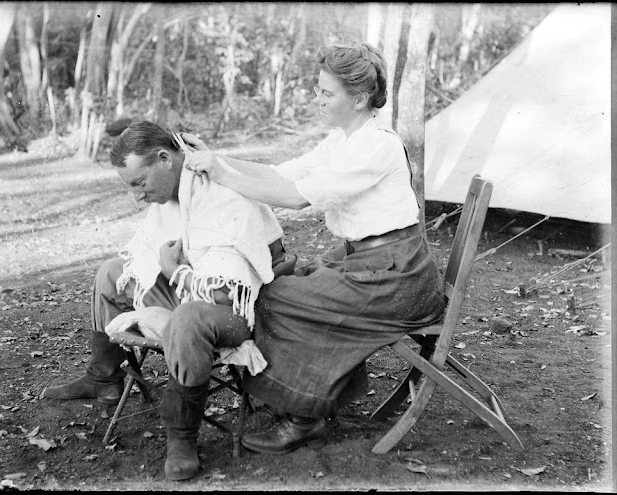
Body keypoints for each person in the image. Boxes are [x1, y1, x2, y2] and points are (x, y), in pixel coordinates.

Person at [179, 40, 447, 455]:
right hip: (377, 264)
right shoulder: (344, 140)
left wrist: (221, 172)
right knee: (287, 286)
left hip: (399, 278)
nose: (317, 99)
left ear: (358, 99)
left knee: (281, 296)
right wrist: (218, 160)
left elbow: (295, 196)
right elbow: (279, 173)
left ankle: (306, 418)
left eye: (326, 93)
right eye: (317, 90)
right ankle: (316, 399)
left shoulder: (376, 145)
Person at [44, 119, 294, 480]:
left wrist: (173, 271)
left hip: (234, 309)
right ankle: (104, 375)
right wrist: (171, 270)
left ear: (164, 158)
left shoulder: (219, 191)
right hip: (192, 289)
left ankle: (182, 436)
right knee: (111, 273)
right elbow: (162, 257)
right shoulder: (176, 189)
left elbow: (226, 291)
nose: (138, 196)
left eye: (139, 183)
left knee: (188, 318)